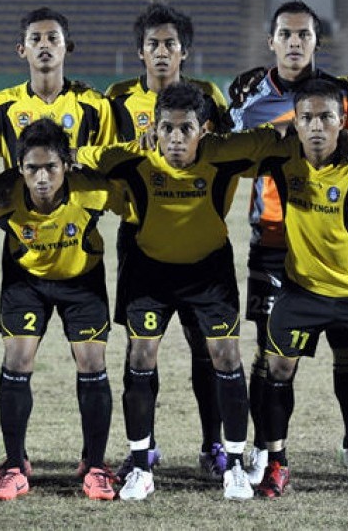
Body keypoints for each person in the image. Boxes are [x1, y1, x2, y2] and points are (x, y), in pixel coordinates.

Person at [77, 81, 314, 501]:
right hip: (149, 273)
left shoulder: (225, 152)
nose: (175, 139)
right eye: (166, 128)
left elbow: (279, 136)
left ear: (203, 129)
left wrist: (341, 135)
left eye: (185, 129)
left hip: (209, 272)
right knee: (141, 355)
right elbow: (80, 157)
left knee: (226, 356)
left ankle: (236, 467)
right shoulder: (134, 157)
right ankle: (140, 465)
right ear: (155, 128)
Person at [227, 0, 348, 485]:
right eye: (285, 34)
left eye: (304, 35)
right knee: (271, 354)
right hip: (273, 239)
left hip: (337, 247)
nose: (294, 43)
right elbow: (226, 149)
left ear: (316, 41)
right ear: (271, 41)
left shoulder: (342, 99)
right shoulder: (250, 97)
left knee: (347, 350)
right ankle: (267, 451)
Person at [251, 79, 348, 502]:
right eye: (306, 118)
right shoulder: (282, 156)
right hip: (301, 290)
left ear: (342, 121)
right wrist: (276, 130)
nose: (316, 126)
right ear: (295, 122)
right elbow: (233, 147)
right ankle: (276, 464)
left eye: (326, 117)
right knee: (277, 370)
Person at [105, 1, 229, 480]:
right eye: (153, 44)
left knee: (207, 348)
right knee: (141, 349)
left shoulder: (208, 96)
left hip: (198, 235)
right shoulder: (117, 98)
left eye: (170, 44)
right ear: (140, 52)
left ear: (185, 52)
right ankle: (145, 447)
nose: (161, 52)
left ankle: (213, 445)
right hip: (139, 238)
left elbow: (227, 153)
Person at [0, 119, 125, 501]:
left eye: (51, 168)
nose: (42, 177)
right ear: (18, 167)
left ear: (67, 166)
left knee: (92, 362)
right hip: (26, 282)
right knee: (17, 358)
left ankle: (94, 465)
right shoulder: (3, 197)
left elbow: (133, 205)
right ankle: (14, 466)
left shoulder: (93, 192)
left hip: (83, 280)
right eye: (32, 169)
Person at [0, 7, 116, 169]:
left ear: (68, 47)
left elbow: (111, 162)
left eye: (53, 38)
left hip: (79, 194)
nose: (44, 44)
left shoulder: (96, 105)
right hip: (20, 195)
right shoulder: (0, 104)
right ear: (21, 50)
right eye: (35, 39)